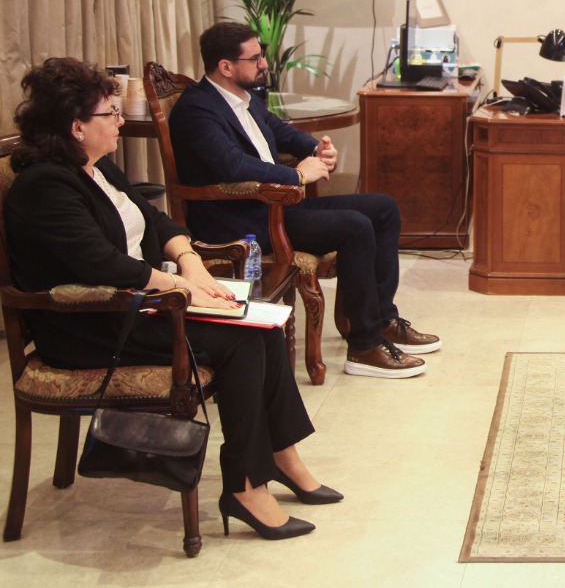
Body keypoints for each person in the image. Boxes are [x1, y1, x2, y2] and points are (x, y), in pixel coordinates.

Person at [3, 57, 338, 540]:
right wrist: (180, 287)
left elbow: (156, 220)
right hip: (92, 323)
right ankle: (246, 486)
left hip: (138, 303)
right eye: (110, 114)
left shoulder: (96, 167)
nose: (120, 121)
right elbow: (100, 263)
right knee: (242, 340)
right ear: (77, 126)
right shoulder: (45, 185)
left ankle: (281, 457)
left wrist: (191, 263)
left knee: (262, 324)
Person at [168, 22, 438, 379]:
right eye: (255, 58)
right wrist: (296, 175)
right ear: (226, 67)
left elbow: (279, 130)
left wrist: (315, 150)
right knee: (355, 227)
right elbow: (231, 165)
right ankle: (363, 346)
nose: (264, 64)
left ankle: (383, 319)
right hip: (242, 219)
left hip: (274, 206)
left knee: (382, 208)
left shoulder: (243, 98)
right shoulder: (196, 110)